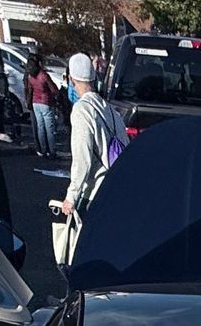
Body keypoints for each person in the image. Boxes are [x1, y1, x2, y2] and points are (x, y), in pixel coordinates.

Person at [58, 51, 127, 237]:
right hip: (114, 188)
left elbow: (83, 159)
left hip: (94, 193)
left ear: (71, 79)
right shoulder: (110, 110)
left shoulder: (81, 111)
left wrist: (71, 197)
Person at [22, 52, 60, 157]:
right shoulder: (43, 75)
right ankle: (52, 151)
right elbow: (54, 89)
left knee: (40, 127)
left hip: (35, 103)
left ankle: (43, 150)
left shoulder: (30, 76)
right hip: (45, 102)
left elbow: (29, 89)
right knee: (49, 128)